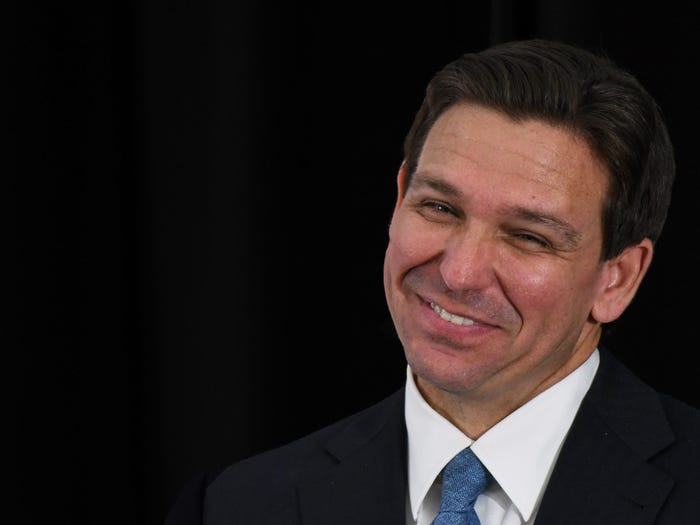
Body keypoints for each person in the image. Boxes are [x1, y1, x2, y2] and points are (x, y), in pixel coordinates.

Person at [164, 38, 700, 524]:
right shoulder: (239, 506)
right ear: (399, 199)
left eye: (529, 237)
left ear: (617, 278)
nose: (459, 273)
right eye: (440, 207)